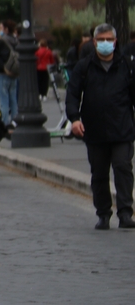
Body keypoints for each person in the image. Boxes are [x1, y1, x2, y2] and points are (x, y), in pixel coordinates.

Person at [66, 23, 135, 230]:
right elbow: (72, 94)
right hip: (94, 129)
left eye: (109, 40)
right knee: (99, 173)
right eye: (101, 40)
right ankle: (103, 213)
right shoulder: (84, 67)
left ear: (115, 42)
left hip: (122, 127)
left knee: (123, 168)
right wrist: (75, 118)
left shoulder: (126, 66)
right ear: (94, 42)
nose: (106, 44)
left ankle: (125, 213)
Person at [0, 20, 19, 127]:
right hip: (14, 72)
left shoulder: (2, 41)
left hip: (3, 72)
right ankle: (15, 120)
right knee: (13, 98)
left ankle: (4, 122)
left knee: (4, 98)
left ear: (6, 29)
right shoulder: (16, 41)